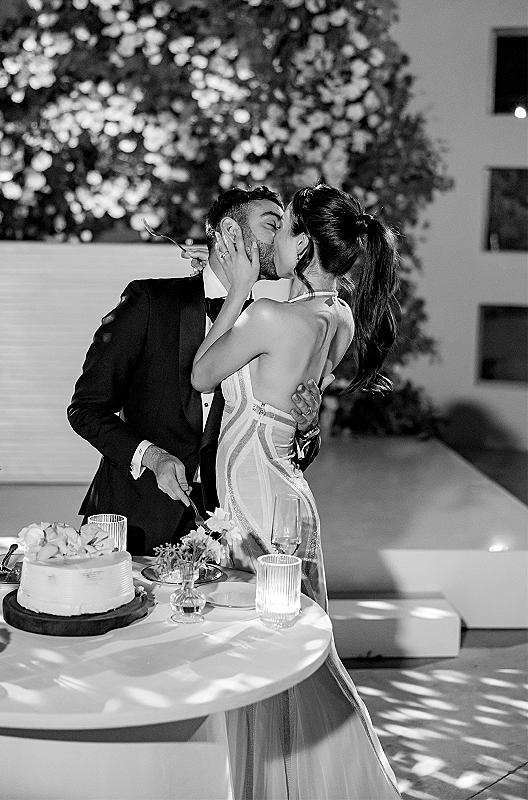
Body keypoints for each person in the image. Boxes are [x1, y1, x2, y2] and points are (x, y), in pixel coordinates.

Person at [192, 184, 402, 799]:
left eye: (282, 227)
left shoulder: (266, 316)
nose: (275, 240)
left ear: (304, 242)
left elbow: (202, 374)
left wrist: (238, 291)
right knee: (291, 644)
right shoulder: (341, 318)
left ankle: (271, 784)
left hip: (256, 489)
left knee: (263, 649)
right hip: (290, 491)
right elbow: (294, 408)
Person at [67, 187, 324, 557]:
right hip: (132, 522)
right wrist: (152, 456)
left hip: (231, 532)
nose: (285, 238)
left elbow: (285, 456)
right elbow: (86, 409)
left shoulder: (274, 326)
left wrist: (306, 426)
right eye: (273, 226)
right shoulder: (149, 302)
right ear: (231, 232)